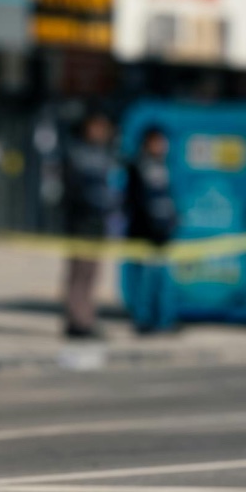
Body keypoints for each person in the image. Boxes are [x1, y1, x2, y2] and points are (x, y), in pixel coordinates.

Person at [59, 111, 117, 340]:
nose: (100, 132)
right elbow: (72, 192)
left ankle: (86, 317)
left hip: (98, 223)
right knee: (79, 273)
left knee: (92, 274)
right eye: (96, 127)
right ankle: (77, 320)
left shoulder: (106, 155)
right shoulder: (77, 154)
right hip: (81, 223)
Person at [120, 125, 179, 335]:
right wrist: (148, 226)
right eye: (155, 142)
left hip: (163, 233)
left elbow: (168, 199)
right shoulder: (137, 167)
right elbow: (134, 202)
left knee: (162, 280)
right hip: (144, 233)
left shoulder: (165, 166)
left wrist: (172, 221)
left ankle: (164, 319)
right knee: (144, 280)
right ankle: (143, 320)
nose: (160, 146)